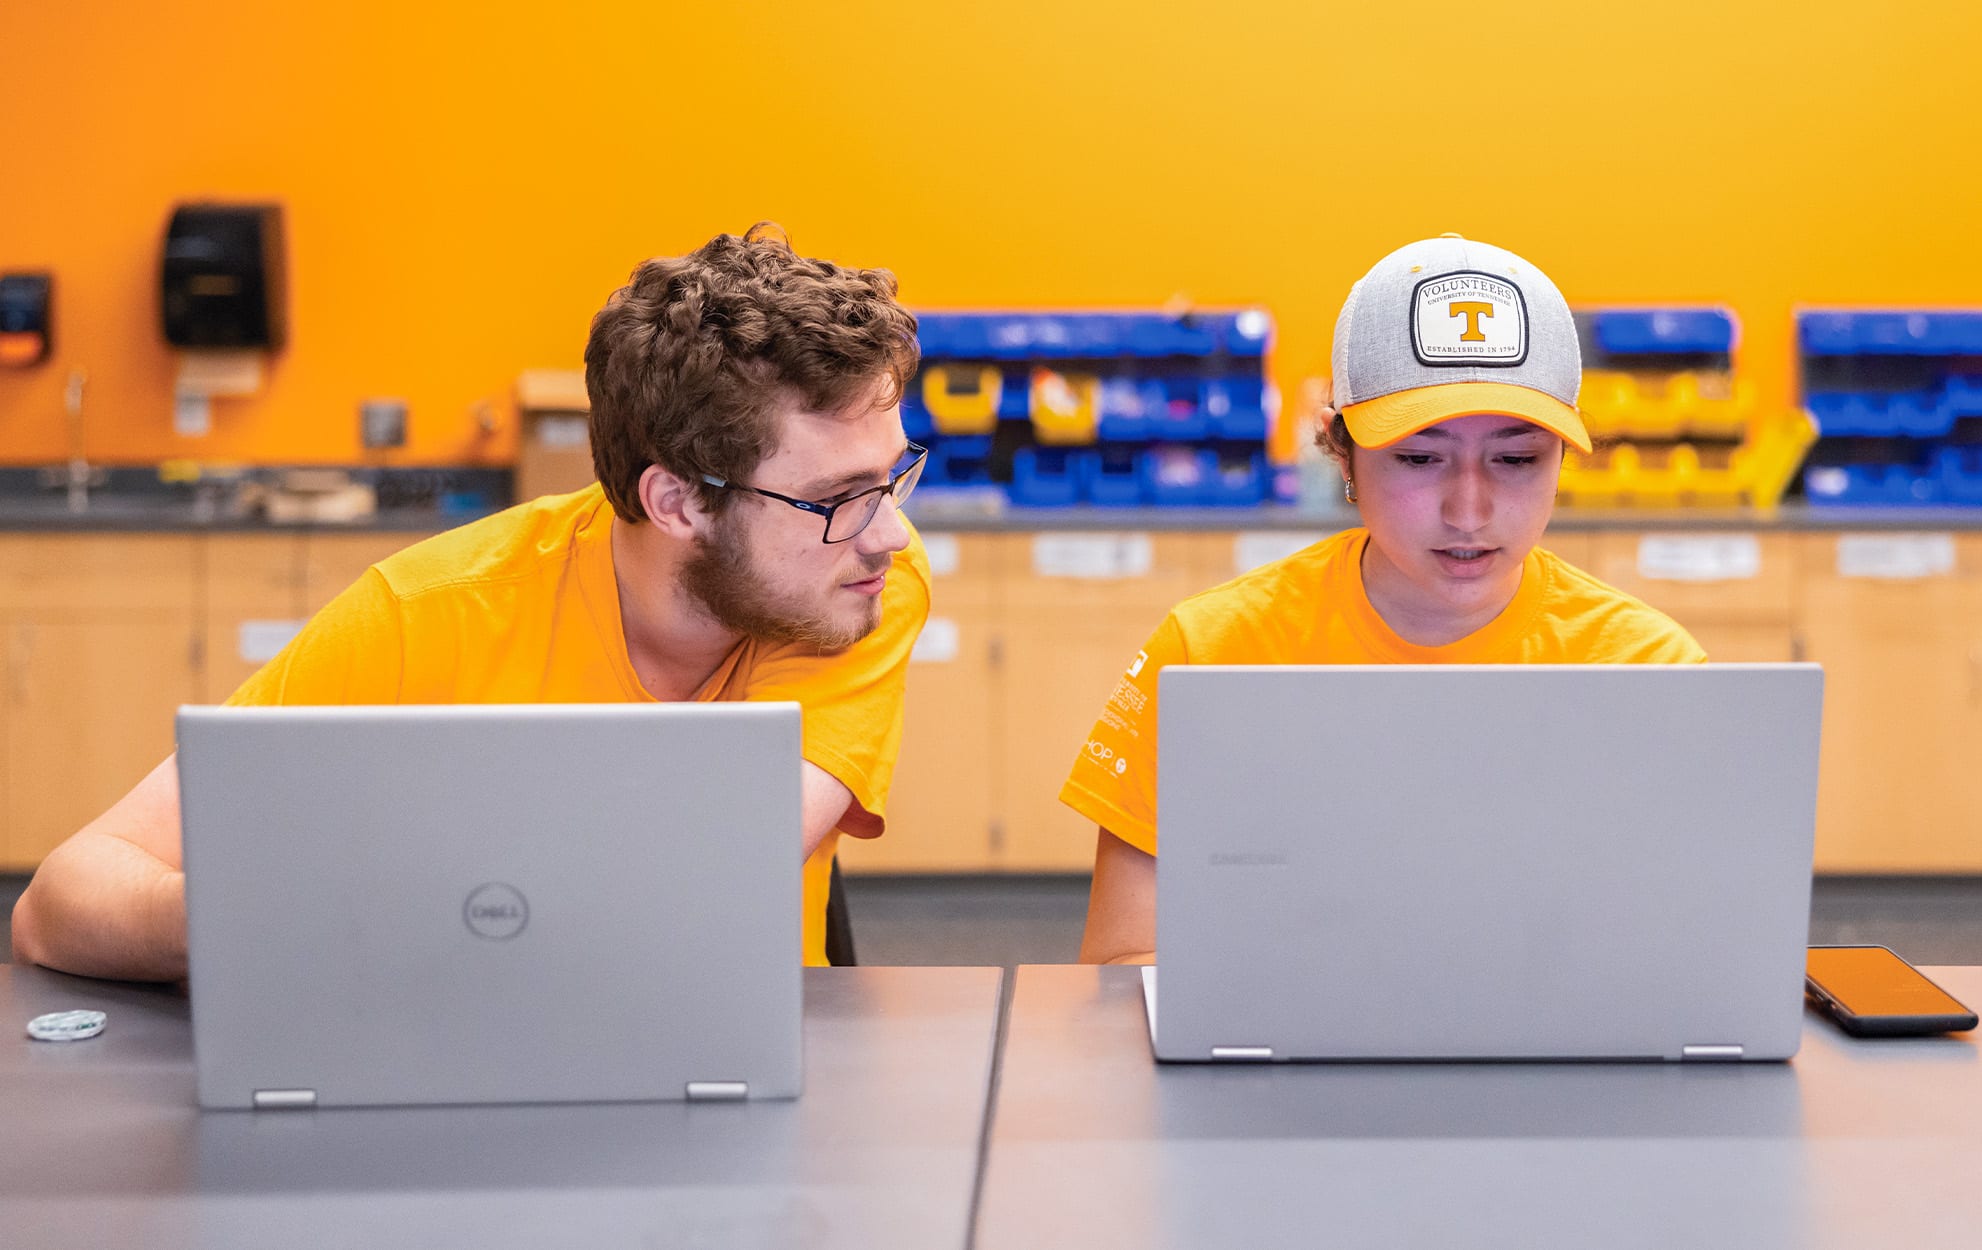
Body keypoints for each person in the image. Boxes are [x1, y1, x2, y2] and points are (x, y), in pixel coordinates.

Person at [12, 224, 931, 979]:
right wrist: (261, 916)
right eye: (840, 498)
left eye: (889, 480)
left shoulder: (851, 587)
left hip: (732, 1073)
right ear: (678, 501)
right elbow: (62, 902)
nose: (888, 530)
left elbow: (696, 876)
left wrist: (399, 899)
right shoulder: (432, 610)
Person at [1062, 233, 1706, 966]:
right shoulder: (1210, 656)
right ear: (1343, 454)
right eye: (1419, 457)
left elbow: (1685, 956)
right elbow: (1121, 968)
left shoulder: (1650, 672)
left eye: (1517, 458)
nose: (1469, 509)